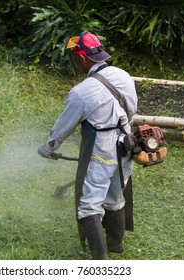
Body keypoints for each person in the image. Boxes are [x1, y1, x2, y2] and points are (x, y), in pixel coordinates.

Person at [37, 31, 138, 260]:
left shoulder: (82, 92)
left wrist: (49, 147)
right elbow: (131, 110)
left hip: (101, 151)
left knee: (89, 206)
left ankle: (99, 262)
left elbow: (64, 125)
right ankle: (116, 243)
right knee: (114, 195)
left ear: (82, 59)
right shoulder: (123, 76)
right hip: (126, 146)